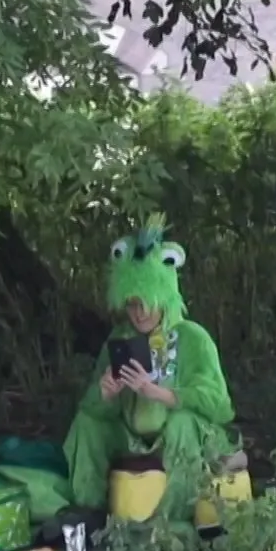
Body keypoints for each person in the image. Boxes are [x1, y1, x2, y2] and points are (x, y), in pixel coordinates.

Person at [64, 213, 236, 522]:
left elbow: (220, 406)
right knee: (86, 424)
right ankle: (88, 516)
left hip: (190, 434)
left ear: (164, 297)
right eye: (131, 303)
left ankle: (174, 524)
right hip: (134, 437)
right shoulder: (121, 338)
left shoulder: (193, 337)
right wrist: (106, 395)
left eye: (146, 301)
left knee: (181, 424)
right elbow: (95, 410)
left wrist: (159, 393)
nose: (139, 312)